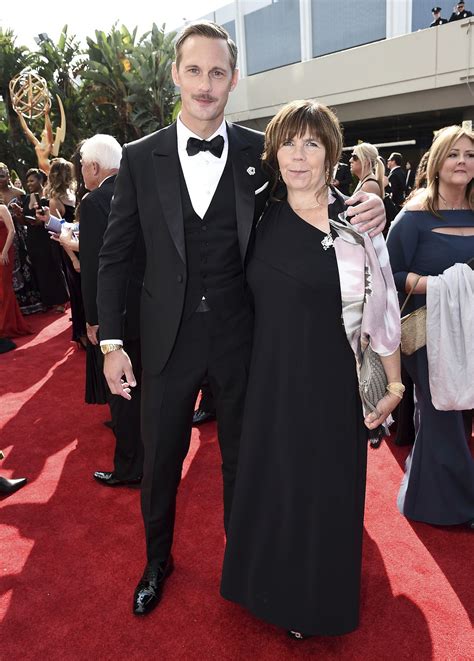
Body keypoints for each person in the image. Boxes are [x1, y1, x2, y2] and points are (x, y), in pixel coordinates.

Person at [97, 20, 387, 617]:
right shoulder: (139, 157)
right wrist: (112, 343)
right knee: (158, 459)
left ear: (233, 79)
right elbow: (115, 257)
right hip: (166, 342)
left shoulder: (265, 148)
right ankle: (157, 560)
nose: (206, 85)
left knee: (245, 461)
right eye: (195, 70)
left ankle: (248, 564)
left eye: (218, 72)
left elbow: (315, 197)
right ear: (176, 74)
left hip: (245, 341)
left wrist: (370, 206)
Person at [220, 99, 401, 640]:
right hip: (269, 382)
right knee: (272, 487)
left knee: (327, 494)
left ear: (332, 153)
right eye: (289, 143)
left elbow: (382, 306)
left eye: (313, 143)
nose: (299, 156)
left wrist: (391, 385)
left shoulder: (357, 224)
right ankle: (267, 592)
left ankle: (315, 605)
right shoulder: (255, 214)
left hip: (334, 387)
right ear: (273, 152)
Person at [387, 124, 474, 529]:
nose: (462, 161)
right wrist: (437, 285)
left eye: (470, 155)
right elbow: (389, 272)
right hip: (429, 331)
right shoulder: (414, 215)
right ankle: (453, 507)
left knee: (463, 414)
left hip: (470, 329)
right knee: (442, 412)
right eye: (454, 154)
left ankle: (427, 491)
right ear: (437, 163)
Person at [79, 134, 144, 486]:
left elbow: (94, 267)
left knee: (123, 393)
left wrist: (93, 319)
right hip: (154, 309)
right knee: (148, 389)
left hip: (116, 315)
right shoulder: (144, 189)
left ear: (93, 166)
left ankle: (131, 468)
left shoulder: (94, 202)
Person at [45, 158, 86, 345]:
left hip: (82, 245)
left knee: (86, 290)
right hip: (70, 250)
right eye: (69, 171)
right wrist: (74, 259)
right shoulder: (54, 201)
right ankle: (80, 334)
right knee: (78, 292)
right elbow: (59, 232)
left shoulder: (74, 193)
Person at [11, 169, 44, 315]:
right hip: (27, 236)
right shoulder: (25, 197)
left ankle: (50, 300)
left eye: (32, 180)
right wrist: (19, 214)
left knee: (35, 268)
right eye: (28, 181)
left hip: (28, 236)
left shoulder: (19, 194)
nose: (29, 183)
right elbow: (23, 218)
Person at [0, 204, 31, 337]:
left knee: (5, 286)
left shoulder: (2, 208)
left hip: (5, 250)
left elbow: (11, 230)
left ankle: (9, 325)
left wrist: (4, 252)